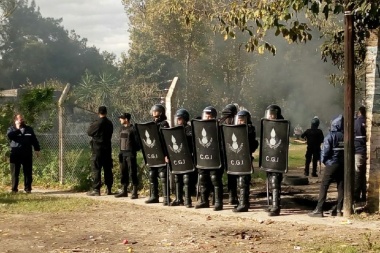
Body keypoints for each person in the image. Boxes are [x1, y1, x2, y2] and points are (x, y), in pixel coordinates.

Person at [308, 114, 344, 217]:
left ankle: (319, 209)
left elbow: (325, 152)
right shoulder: (346, 135)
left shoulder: (330, 136)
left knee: (324, 185)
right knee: (341, 186)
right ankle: (339, 210)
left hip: (332, 164)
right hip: (342, 164)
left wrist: (326, 162)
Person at [195, 106, 224, 211]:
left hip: (215, 158)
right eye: (206, 115)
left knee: (215, 179)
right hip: (203, 158)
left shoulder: (219, 127)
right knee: (203, 179)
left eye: (209, 115)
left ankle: (218, 202)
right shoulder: (198, 127)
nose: (207, 117)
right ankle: (204, 201)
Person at [232, 110, 259, 212]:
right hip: (235, 158)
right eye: (239, 119)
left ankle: (243, 204)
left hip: (245, 158)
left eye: (242, 119)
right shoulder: (233, 130)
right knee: (239, 181)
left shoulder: (250, 129)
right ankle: (243, 202)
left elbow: (252, 145)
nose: (240, 121)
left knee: (243, 181)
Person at [7, 114, 40, 193]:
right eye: (19, 119)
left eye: (22, 119)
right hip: (15, 154)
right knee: (15, 173)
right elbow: (10, 136)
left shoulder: (29, 129)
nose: (21, 121)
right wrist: (17, 129)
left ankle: (28, 189)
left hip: (27, 154)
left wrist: (37, 149)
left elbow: (34, 140)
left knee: (28, 172)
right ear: (15, 121)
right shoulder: (11, 129)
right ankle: (14, 189)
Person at [145, 104, 170, 205]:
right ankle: (154, 196)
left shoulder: (164, 124)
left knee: (163, 175)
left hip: (162, 152)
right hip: (153, 153)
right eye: (153, 111)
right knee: (152, 174)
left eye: (156, 111)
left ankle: (166, 197)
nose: (154, 113)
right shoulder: (152, 124)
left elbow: (165, 140)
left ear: (160, 112)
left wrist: (166, 154)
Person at [87, 106, 114, 196]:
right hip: (107, 149)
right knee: (108, 169)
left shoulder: (97, 123)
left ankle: (96, 189)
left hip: (97, 149)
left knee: (96, 169)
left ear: (98, 113)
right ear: (106, 112)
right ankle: (109, 188)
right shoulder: (109, 123)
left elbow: (89, 132)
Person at [264, 104, 285, 216]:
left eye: (273, 114)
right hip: (269, 158)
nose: (271, 116)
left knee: (275, 181)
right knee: (271, 181)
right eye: (269, 114)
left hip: (278, 157)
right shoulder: (266, 125)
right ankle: (273, 204)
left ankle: (276, 206)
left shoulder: (282, 126)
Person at [170, 108, 194, 208]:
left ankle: (188, 200)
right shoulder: (175, 129)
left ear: (184, 119)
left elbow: (190, 140)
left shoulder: (189, 129)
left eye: (180, 119)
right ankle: (178, 198)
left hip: (187, 157)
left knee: (186, 178)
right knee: (177, 178)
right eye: (177, 119)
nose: (178, 121)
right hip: (177, 157)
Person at [115, 113, 140, 199]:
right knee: (123, 172)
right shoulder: (121, 129)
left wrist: (133, 150)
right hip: (122, 153)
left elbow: (138, 142)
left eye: (121, 118)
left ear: (126, 119)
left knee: (132, 172)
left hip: (130, 154)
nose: (120, 120)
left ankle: (135, 191)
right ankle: (124, 190)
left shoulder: (133, 129)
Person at [219, 103, 239, 205]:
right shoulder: (234, 123)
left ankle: (217, 198)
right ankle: (232, 197)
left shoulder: (219, 122)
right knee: (232, 175)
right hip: (230, 153)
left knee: (218, 176)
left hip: (221, 153)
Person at [354, 106, 366, 203]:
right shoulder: (368, 122)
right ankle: (365, 194)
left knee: (358, 173)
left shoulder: (356, 122)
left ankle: (356, 196)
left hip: (358, 150)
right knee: (365, 174)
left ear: (359, 112)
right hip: (366, 150)